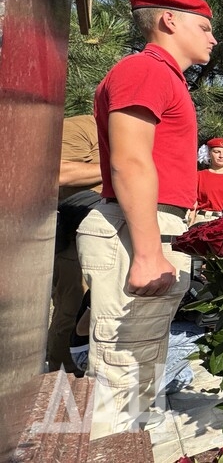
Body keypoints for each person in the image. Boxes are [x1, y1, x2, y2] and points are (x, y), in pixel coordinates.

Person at [75, 0, 216, 438]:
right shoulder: (146, 69)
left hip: (151, 225)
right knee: (122, 380)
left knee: (141, 369)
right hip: (139, 228)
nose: (213, 38)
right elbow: (131, 160)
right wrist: (149, 252)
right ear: (169, 20)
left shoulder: (163, 76)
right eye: (204, 27)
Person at [49, 115, 104, 376]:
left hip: (110, 237)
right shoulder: (82, 127)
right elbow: (57, 172)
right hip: (76, 238)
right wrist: (118, 166)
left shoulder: (130, 134)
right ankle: (61, 377)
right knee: (70, 311)